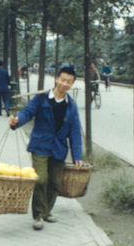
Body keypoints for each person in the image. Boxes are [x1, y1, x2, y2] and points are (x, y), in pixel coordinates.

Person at [8, 67, 83, 231]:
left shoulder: (71, 105)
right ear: (57, 78)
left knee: (55, 183)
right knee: (41, 179)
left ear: (72, 84)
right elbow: (27, 112)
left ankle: (47, 211)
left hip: (59, 148)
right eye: (62, 80)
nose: (64, 84)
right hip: (40, 145)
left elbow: (75, 131)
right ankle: (38, 216)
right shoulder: (41, 98)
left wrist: (77, 155)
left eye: (68, 81)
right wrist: (17, 121)